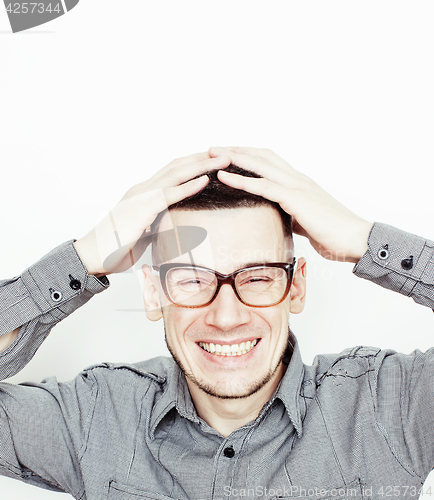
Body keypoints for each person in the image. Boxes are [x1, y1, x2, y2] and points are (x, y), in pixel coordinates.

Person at [0, 147, 433, 500]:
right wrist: (87, 255)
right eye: (192, 279)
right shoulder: (94, 418)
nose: (226, 317)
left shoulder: (390, 407)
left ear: (296, 287)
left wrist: (361, 237)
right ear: (154, 293)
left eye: (259, 277)